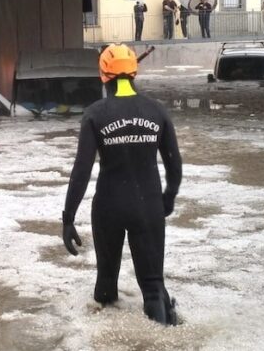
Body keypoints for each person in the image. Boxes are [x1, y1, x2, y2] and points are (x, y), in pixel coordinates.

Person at [62, 44, 182, 325]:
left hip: (108, 208)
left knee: (105, 286)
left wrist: (68, 218)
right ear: (134, 72)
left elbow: (81, 170)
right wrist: (168, 197)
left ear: (103, 75)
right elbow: (174, 165)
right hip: (148, 206)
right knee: (153, 288)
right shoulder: (157, 111)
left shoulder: (95, 114)